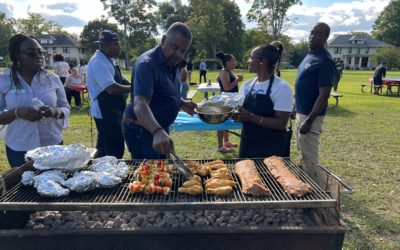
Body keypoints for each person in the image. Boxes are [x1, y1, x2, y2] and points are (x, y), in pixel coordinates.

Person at [122, 22, 196, 160]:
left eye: (183, 51)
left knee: (162, 168)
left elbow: (162, 90)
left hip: (158, 126)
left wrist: (180, 103)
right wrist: (157, 131)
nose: (179, 55)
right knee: (149, 174)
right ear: (163, 40)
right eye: (175, 48)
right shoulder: (147, 64)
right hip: (142, 129)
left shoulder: (172, 61)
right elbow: (140, 103)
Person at [0, 34, 70, 168]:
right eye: (31, 54)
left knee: (55, 184)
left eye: (40, 52)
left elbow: (65, 107)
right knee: (24, 187)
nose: (38, 57)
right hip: (20, 147)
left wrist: (55, 111)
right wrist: (16, 113)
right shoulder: (4, 81)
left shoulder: (52, 79)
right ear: (17, 56)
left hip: (52, 145)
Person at [232, 44, 293, 158]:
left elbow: (281, 124)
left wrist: (250, 117)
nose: (248, 61)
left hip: (272, 149)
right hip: (247, 146)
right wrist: (236, 115)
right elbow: (240, 112)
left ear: (261, 61)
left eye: (251, 57)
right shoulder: (246, 85)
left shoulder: (281, 88)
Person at [295, 22, 336, 167]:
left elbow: (324, 95)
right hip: (301, 112)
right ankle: (305, 183)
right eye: (311, 33)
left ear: (326, 37)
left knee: (310, 158)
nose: (312, 37)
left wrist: (309, 120)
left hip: (310, 116)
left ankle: (314, 187)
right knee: (302, 151)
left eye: (318, 34)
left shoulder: (324, 60)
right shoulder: (310, 56)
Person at [86, 30, 131, 159]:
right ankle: (111, 174)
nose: (119, 48)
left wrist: (136, 85)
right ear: (105, 45)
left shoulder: (110, 60)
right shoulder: (98, 62)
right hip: (105, 110)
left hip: (115, 109)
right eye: (116, 45)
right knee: (113, 148)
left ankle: (96, 169)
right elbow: (111, 88)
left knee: (102, 145)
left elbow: (122, 80)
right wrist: (134, 89)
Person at [215, 51, 243, 153]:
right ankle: (220, 146)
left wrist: (236, 79)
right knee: (222, 122)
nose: (235, 62)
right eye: (233, 60)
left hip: (229, 100)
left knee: (226, 121)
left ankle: (226, 142)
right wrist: (237, 80)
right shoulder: (224, 72)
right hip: (225, 100)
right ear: (228, 62)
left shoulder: (228, 71)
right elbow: (226, 88)